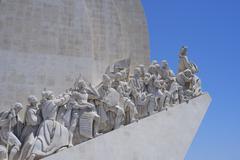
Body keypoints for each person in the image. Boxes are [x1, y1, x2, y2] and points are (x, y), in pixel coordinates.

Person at [26, 90, 70, 160]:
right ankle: (58, 148)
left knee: (41, 139)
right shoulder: (53, 102)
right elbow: (63, 100)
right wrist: (68, 94)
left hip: (44, 124)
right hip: (51, 123)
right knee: (64, 131)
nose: (53, 95)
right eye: (52, 94)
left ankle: (33, 153)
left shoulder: (43, 104)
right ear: (49, 96)